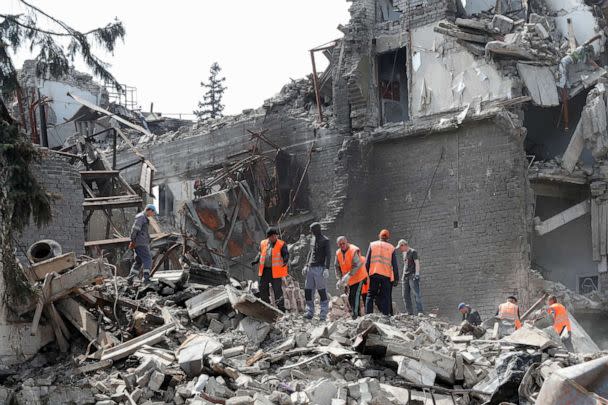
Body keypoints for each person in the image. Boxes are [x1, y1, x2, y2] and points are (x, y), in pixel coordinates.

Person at [252, 227, 288, 312]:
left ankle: (281, 309)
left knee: (277, 290)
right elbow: (260, 253)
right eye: (271, 237)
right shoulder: (263, 243)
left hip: (275, 271)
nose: (274, 238)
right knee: (262, 288)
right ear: (268, 237)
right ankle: (267, 308)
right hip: (265, 271)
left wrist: (285, 260)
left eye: (275, 236)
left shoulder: (281, 244)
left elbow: (285, 254)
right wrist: (256, 260)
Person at [365, 229, 399, 316]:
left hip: (374, 274)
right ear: (388, 238)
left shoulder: (372, 245)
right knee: (386, 296)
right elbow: (395, 265)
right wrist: (396, 279)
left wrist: (365, 276)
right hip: (386, 276)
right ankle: (385, 316)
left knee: (370, 295)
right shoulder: (391, 248)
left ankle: (368, 315)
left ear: (379, 236)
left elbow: (367, 262)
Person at [302, 222, 332, 321]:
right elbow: (310, 252)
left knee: (322, 291)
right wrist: (306, 265)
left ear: (317, 230)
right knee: (308, 290)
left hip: (320, 268)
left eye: (312, 230)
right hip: (310, 268)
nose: (311, 232)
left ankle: (323, 315)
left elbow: (328, 255)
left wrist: (327, 268)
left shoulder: (325, 240)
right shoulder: (313, 239)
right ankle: (310, 312)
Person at [334, 236, 368, 319]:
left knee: (355, 296)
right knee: (350, 297)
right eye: (340, 244)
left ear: (347, 242)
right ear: (338, 244)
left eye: (343, 243)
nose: (342, 245)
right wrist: (340, 279)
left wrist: (349, 275)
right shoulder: (338, 253)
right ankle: (357, 315)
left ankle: (355, 316)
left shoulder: (353, 250)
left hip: (359, 277)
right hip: (349, 279)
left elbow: (357, 264)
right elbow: (336, 266)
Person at [127, 204, 157, 285]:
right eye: (153, 213)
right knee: (148, 259)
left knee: (138, 261)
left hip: (140, 242)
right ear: (149, 210)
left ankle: (130, 278)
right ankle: (146, 278)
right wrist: (132, 240)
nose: (153, 215)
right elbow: (135, 229)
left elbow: (142, 232)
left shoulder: (143, 218)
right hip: (141, 243)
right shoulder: (141, 217)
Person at [397, 240, 423, 315]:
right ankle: (409, 312)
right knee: (405, 295)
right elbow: (405, 266)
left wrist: (417, 274)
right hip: (405, 277)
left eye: (400, 247)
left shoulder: (413, 252)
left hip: (412, 276)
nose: (400, 249)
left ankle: (420, 311)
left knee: (416, 294)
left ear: (403, 245)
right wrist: (403, 276)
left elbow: (417, 263)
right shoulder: (404, 254)